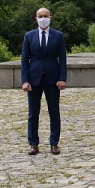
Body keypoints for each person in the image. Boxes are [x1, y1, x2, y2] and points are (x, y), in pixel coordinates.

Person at [21, 8, 67, 155]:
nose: (43, 18)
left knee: (54, 112)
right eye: (40, 16)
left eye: (45, 16)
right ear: (36, 18)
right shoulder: (29, 36)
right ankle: (33, 144)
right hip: (34, 79)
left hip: (52, 79)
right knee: (33, 113)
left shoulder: (58, 36)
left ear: (50, 17)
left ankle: (54, 143)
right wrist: (25, 80)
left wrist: (62, 78)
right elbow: (24, 60)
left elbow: (63, 59)